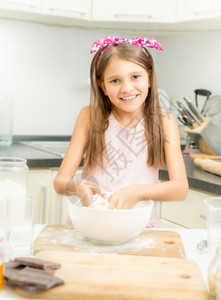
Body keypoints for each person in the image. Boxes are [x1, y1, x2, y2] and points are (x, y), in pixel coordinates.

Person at [53, 36, 189, 227]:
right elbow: (60, 182)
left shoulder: (164, 122)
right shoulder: (89, 115)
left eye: (135, 77)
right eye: (115, 80)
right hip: (91, 223)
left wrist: (137, 192)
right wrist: (80, 188)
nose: (126, 88)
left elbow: (180, 188)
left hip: (140, 227)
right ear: (103, 86)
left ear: (149, 77)